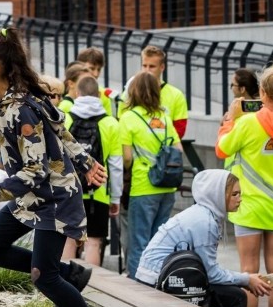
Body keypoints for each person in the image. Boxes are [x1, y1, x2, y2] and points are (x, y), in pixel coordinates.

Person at [0, 27, 111, 307]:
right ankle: (71, 273)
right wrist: (85, 162)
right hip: (32, 196)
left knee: (43, 276)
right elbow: (60, 132)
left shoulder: (22, 108)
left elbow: (36, 170)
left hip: (54, 198)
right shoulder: (2, 104)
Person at [216, 60, 273, 307]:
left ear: (262, 92)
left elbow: (222, 149)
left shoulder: (248, 122)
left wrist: (230, 118)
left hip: (249, 205)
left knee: (249, 271)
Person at [135, 169, 271, 307]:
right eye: (234, 194)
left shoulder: (204, 214)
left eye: (240, 194)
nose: (239, 199)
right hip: (156, 281)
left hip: (158, 276)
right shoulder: (204, 222)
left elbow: (207, 272)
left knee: (228, 294)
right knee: (236, 297)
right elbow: (211, 274)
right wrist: (246, 279)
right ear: (218, 195)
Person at [118, 71, 181, 279]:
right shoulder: (164, 117)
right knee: (158, 242)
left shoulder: (128, 118)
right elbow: (178, 148)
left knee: (139, 242)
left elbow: (126, 158)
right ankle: (156, 282)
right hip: (167, 187)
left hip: (143, 186)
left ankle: (139, 289)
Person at [64, 75, 123, 266]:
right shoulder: (110, 123)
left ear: (77, 93)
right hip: (98, 192)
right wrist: (115, 198)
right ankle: (92, 288)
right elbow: (115, 165)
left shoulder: (65, 118)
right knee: (94, 242)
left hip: (68, 191)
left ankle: (64, 284)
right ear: (98, 94)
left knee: (69, 238)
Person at [120, 46, 189, 138]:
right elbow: (121, 122)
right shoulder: (130, 92)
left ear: (162, 67)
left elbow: (179, 130)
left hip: (164, 149)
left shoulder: (176, 95)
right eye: (144, 66)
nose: (147, 70)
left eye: (152, 66)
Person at [221, 68, 260, 170]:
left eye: (232, 85)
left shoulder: (240, 119)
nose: (231, 88)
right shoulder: (262, 111)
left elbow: (222, 147)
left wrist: (229, 121)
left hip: (238, 174)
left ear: (242, 89)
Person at [76, 47, 114, 116]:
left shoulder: (103, 94)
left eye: (99, 69)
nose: (96, 74)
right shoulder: (71, 90)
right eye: (92, 68)